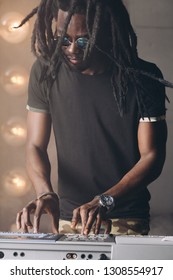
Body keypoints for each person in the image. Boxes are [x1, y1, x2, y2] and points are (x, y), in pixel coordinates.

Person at [16, 0, 171, 236]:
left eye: (83, 40)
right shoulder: (45, 72)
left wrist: (105, 200)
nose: (71, 50)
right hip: (71, 219)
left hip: (125, 217)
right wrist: (45, 193)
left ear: (107, 30)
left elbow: (152, 156)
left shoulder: (143, 78)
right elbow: (35, 145)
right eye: (63, 39)